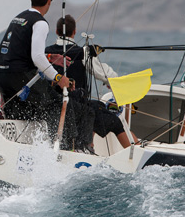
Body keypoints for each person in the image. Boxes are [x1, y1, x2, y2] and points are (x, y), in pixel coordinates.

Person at [0, 0, 89, 150]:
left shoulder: (19, 17)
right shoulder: (40, 23)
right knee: (56, 103)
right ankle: (63, 149)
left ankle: (4, 109)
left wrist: (49, 57)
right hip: (18, 76)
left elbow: (21, 50)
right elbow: (36, 57)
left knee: (27, 104)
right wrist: (59, 78)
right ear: (49, 1)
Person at [46, 15, 137, 149]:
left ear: (56, 31)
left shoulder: (45, 54)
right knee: (113, 121)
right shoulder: (82, 53)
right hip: (76, 108)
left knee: (94, 108)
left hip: (52, 106)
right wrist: (113, 83)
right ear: (75, 32)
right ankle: (133, 152)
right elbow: (105, 74)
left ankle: (88, 145)